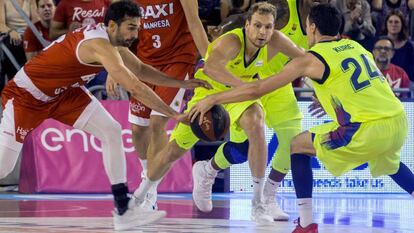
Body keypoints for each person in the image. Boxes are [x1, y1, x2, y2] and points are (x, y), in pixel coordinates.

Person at [188, 4, 414, 233]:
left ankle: (305, 224)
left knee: (297, 145)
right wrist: (334, 98)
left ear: (312, 27)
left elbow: (257, 89)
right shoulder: (356, 46)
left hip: (366, 127)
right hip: (397, 120)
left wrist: (214, 99)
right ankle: (258, 193)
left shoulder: (309, 59)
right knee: (391, 165)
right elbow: (375, 84)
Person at [0, 1, 209, 231]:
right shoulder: (99, 45)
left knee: (111, 131)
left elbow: (139, 70)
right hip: (27, 96)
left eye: (137, 27)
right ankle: (126, 207)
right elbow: (136, 86)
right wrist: (173, 114)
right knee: (4, 168)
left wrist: (181, 83)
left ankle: (123, 209)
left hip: (65, 93)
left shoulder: (114, 43)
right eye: (130, 27)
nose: (135, 34)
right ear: (112, 25)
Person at [132, 2, 304, 223]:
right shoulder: (231, 41)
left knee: (256, 122)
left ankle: (258, 204)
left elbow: (304, 58)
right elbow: (211, 68)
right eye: (258, 26)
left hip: (237, 96)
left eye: (268, 27)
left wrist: (322, 85)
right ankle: (141, 195)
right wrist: (242, 85)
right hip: (209, 92)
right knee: (172, 152)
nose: (263, 32)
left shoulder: (275, 39)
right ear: (248, 24)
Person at [192, 0, 329, 221]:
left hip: (277, 84)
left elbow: (307, 60)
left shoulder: (322, 20)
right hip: (246, 83)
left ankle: (266, 199)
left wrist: (324, 93)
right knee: (241, 149)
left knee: (293, 141)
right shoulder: (282, 8)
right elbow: (245, 21)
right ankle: (208, 169)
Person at [106, 0, 209, 211]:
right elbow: (118, 30)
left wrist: (211, 60)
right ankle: (148, 175)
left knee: (157, 122)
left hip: (178, 60)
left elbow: (195, 23)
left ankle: (149, 191)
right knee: (137, 129)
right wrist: (112, 67)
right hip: (145, 62)